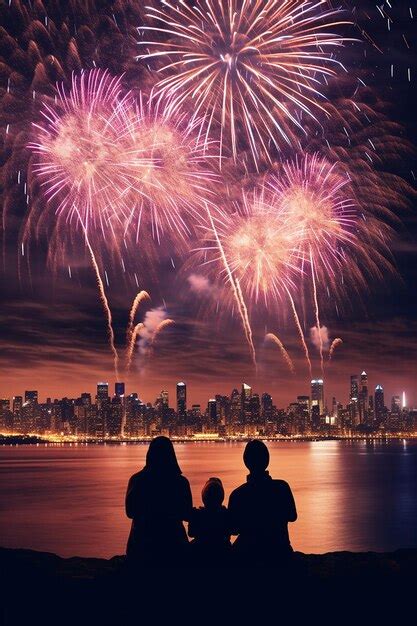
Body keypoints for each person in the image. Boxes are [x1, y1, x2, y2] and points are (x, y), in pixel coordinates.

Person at [125, 436, 192, 567]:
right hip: (173, 544)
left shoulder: (137, 480)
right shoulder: (180, 482)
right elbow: (187, 514)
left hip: (141, 545)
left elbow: (130, 512)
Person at [228, 440, 297, 567]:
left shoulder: (238, 495)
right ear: (267, 460)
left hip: (248, 555)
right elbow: (292, 516)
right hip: (280, 552)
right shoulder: (282, 487)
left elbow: (233, 529)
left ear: (246, 462)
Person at [188, 477, 231, 567]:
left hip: (199, 550)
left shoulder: (197, 514)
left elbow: (191, 533)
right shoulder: (226, 514)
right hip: (222, 550)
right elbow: (233, 530)